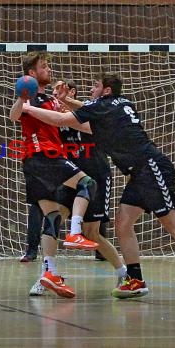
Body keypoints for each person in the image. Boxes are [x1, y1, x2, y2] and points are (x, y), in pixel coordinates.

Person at [24, 71, 175, 300]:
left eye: (95, 86)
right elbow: (87, 111)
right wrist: (66, 100)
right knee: (123, 223)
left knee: (173, 223)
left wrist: (27, 108)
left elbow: (60, 119)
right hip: (137, 173)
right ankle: (134, 279)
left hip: (151, 166)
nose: (90, 90)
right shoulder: (118, 104)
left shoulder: (101, 106)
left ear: (106, 91)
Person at [9, 52, 99, 298]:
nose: (48, 69)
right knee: (87, 183)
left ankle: (49, 273)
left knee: (51, 217)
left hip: (34, 163)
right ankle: (76, 232)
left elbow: (70, 121)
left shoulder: (48, 99)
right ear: (31, 74)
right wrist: (22, 97)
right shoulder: (29, 97)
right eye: (44, 67)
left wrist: (63, 99)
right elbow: (14, 115)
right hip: (43, 156)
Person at [52, 79, 127, 288]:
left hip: (96, 177)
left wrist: (62, 105)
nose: (91, 90)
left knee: (92, 232)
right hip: (71, 177)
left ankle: (124, 272)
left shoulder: (92, 114)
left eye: (62, 91)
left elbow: (75, 121)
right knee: (53, 220)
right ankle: (48, 273)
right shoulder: (59, 115)